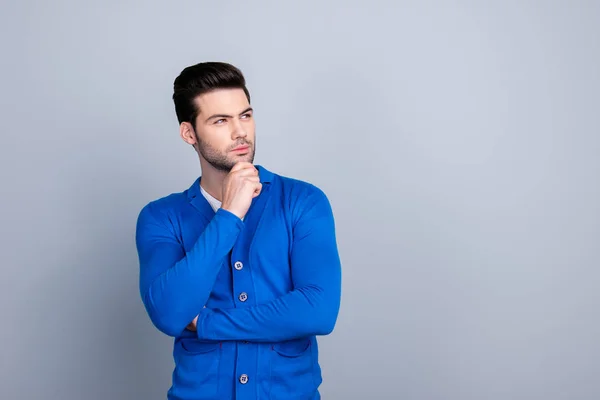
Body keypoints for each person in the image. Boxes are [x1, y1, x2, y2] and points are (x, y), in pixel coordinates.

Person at [135, 61, 342, 400]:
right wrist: (230, 213)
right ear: (190, 133)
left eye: (245, 116)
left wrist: (206, 323)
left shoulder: (303, 201)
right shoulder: (161, 218)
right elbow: (170, 314)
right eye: (221, 121)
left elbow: (318, 310)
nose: (240, 132)